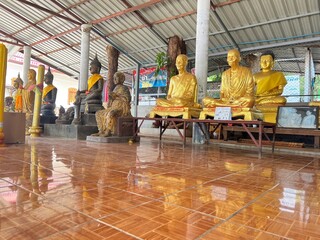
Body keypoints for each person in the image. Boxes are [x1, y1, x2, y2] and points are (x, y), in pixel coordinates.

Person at [92, 72, 132, 137]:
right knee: (98, 113)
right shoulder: (116, 88)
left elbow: (128, 99)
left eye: (116, 78)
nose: (114, 79)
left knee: (111, 113)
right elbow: (112, 98)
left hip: (121, 108)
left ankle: (108, 131)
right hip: (113, 106)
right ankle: (101, 130)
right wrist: (111, 97)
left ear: (121, 79)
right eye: (114, 78)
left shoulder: (124, 88)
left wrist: (117, 96)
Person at [73, 55, 104, 123]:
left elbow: (100, 89)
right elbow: (87, 89)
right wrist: (80, 92)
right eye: (90, 67)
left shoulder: (99, 78)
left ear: (98, 69)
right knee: (79, 95)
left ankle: (84, 102)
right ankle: (77, 113)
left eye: (92, 67)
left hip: (95, 94)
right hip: (90, 94)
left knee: (92, 95)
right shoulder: (90, 78)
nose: (90, 69)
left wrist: (91, 92)